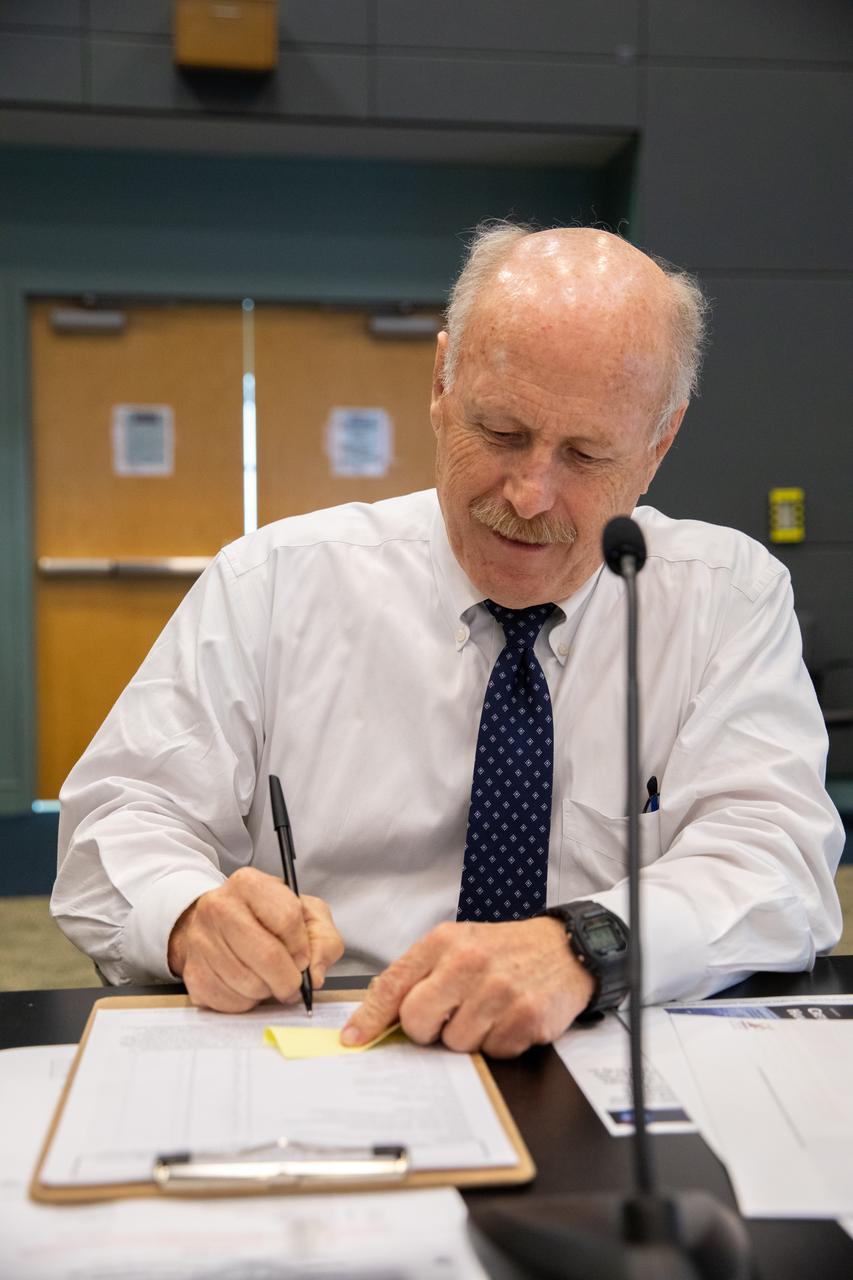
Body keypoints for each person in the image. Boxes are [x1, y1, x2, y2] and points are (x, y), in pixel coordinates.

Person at [52, 224, 843, 1058]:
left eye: (585, 454)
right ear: (440, 382)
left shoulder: (723, 598)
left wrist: (585, 944)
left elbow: (775, 862)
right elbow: (121, 817)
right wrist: (186, 916)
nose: (530, 495)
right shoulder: (275, 581)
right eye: (500, 433)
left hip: (599, 1042)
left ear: (658, 443)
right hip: (328, 1039)